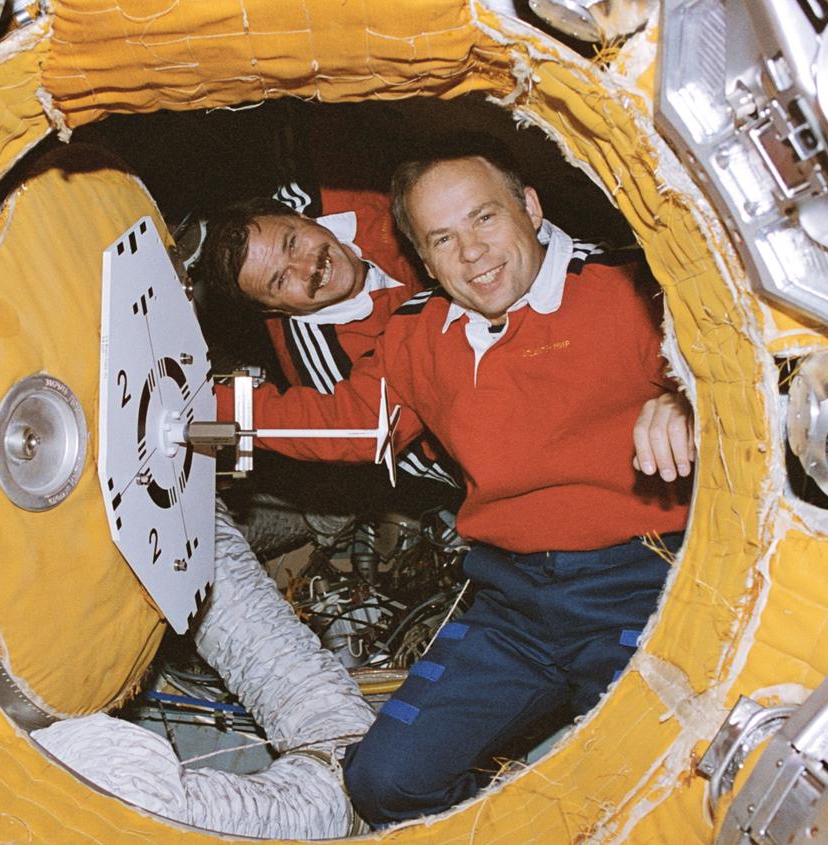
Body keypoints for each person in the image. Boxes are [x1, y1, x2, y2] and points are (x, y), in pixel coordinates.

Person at [213, 142, 694, 826]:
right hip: (514, 605)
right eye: (444, 240)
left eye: (485, 219)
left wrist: (687, 397)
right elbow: (351, 423)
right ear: (424, 260)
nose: (472, 255)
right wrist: (205, 409)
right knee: (382, 782)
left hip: (637, 580)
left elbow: (740, 369)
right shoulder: (419, 333)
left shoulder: (629, 289)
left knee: (646, 773)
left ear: (529, 208)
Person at [195, 196, 460, 490]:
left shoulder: (340, 192)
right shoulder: (332, 363)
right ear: (273, 310)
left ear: (303, 216)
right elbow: (369, 431)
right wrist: (208, 402)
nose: (309, 267)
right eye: (281, 280)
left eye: (292, 243)